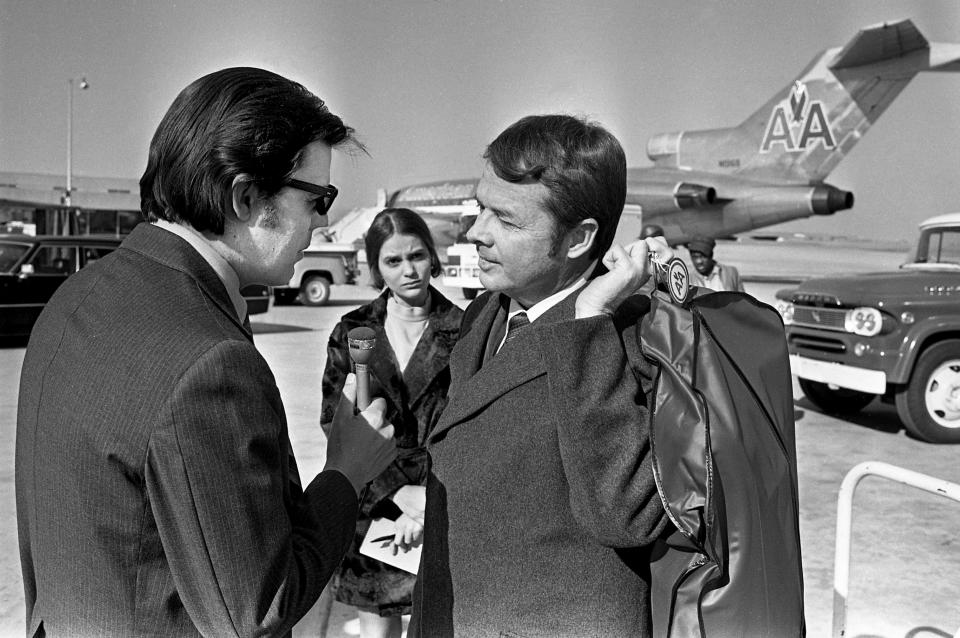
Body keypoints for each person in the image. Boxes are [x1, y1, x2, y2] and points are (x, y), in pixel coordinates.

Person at [15, 67, 397, 637]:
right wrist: (346, 469)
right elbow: (256, 608)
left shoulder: (81, 293)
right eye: (319, 199)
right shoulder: (211, 364)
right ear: (245, 196)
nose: (320, 222)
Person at [410, 114, 673, 638]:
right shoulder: (486, 311)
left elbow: (623, 516)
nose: (477, 232)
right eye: (480, 207)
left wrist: (590, 324)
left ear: (578, 239)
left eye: (506, 221)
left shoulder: (631, 337)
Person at [320, 208, 463, 638]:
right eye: (393, 261)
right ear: (376, 266)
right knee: (376, 628)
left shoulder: (466, 330)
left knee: (437, 622)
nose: (409, 270)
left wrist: (427, 502)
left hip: (443, 501)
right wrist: (399, 493)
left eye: (417, 256)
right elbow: (336, 421)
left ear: (432, 256)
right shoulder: (354, 331)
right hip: (375, 500)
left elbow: (474, 427)